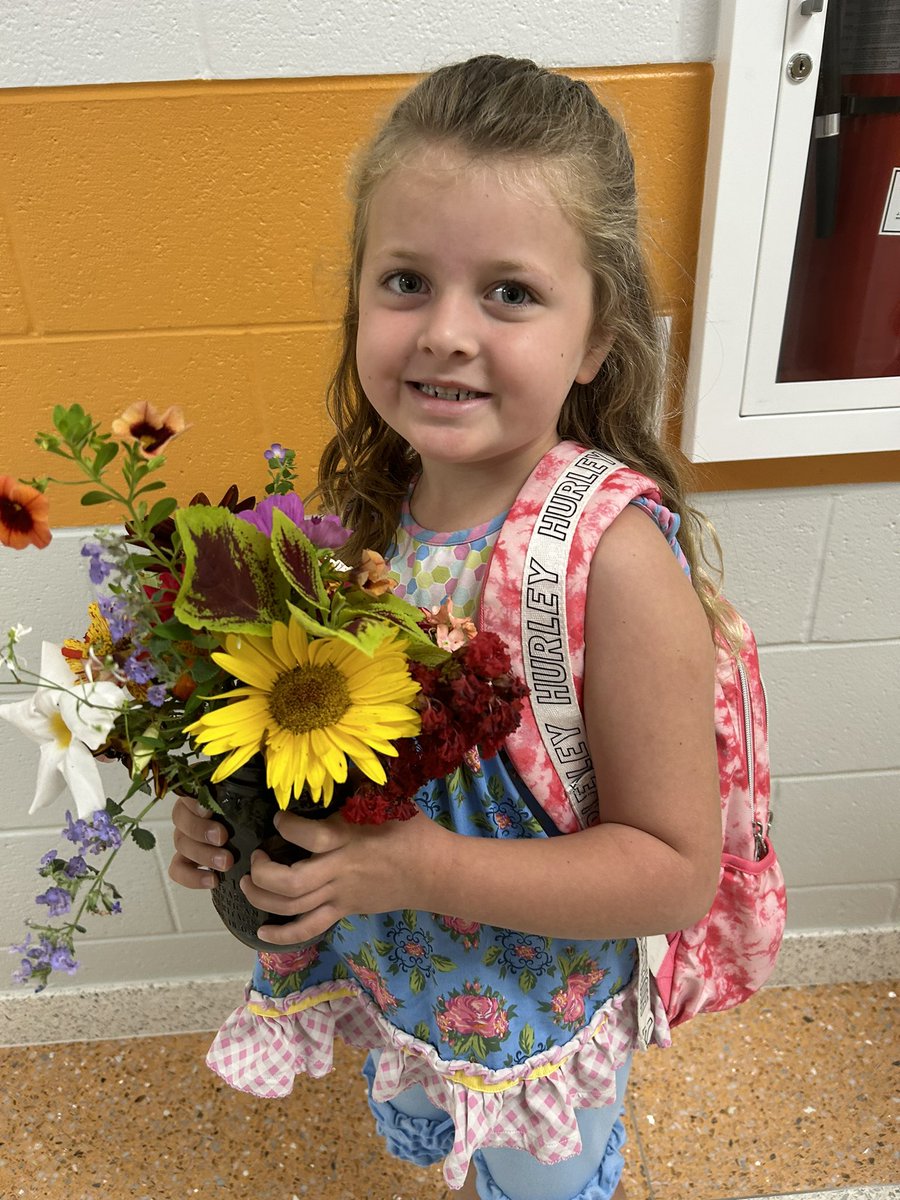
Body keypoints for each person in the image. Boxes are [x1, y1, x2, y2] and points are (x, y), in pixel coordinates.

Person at [169, 55, 725, 1200]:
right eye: (407, 281)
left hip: (534, 1031)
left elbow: (673, 874)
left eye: (511, 293)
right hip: (413, 995)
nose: (447, 333)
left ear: (597, 335)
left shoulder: (607, 562)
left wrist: (418, 866)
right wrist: (226, 808)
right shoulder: (365, 527)